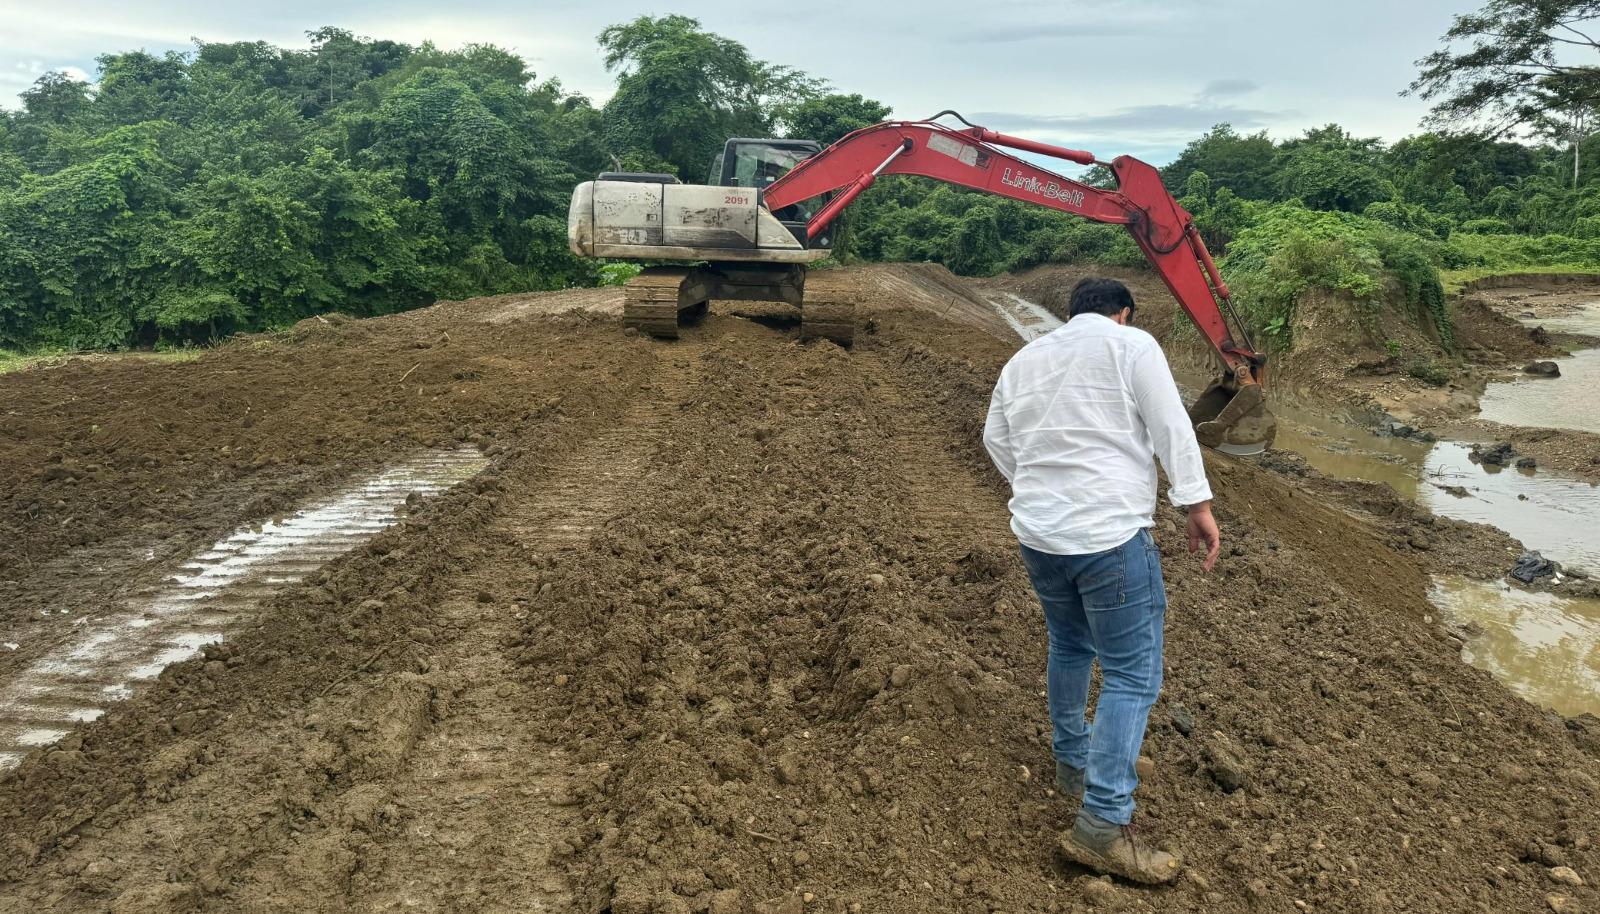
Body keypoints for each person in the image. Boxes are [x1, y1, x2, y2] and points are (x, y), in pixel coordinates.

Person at [981, 277, 1221, 884]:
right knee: (1132, 674)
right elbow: (1171, 425)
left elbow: (996, 440)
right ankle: (1102, 824)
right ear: (1123, 313)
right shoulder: (1132, 345)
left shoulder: (1025, 359)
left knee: (1069, 644)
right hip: (1108, 535)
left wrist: (1040, 490)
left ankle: (1072, 765)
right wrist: (1195, 504)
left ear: (1071, 313)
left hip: (1039, 536)